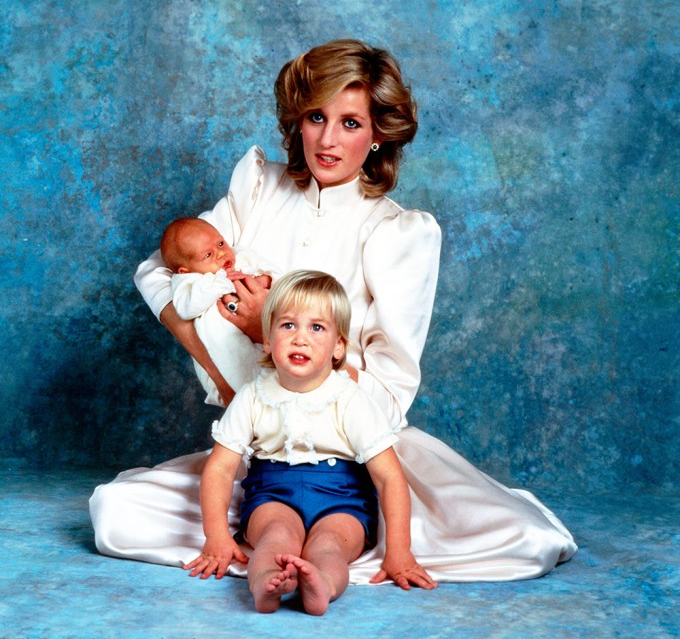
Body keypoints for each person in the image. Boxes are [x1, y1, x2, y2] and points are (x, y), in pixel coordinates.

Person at [90, 38, 577, 583]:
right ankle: (277, 547)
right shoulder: (258, 188)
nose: (327, 139)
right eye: (316, 117)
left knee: (526, 543)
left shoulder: (398, 232)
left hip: (361, 454)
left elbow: (390, 395)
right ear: (296, 120)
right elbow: (159, 272)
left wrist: (261, 330)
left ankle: (337, 547)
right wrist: (233, 386)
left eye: (350, 123)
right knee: (114, 513)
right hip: (257, 446)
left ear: (377, 135)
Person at [185, 270, 437, 614]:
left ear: (338, 347)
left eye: (316, 328)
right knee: (275, 537)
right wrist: (216, 537)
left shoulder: (351, 398)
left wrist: (399, 550)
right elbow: (220, 468)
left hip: (342, 500)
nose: (300, 338)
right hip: (272, 494)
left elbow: (389, 477)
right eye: (288, 325)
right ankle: (266, 584)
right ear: (268, 340)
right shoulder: (253, 396)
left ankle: (322, 584)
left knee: (330, 545)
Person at [160, 216, 279, 405]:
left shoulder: (242, 256)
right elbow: (186, 308)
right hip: (225, 347)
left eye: (221, 243)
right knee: (246, 377)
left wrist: (265, 280)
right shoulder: (189, 282)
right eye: (207, 255)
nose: (221, 254)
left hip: (265, 334)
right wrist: (222, 282)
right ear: (185, 270)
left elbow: (277, 273)